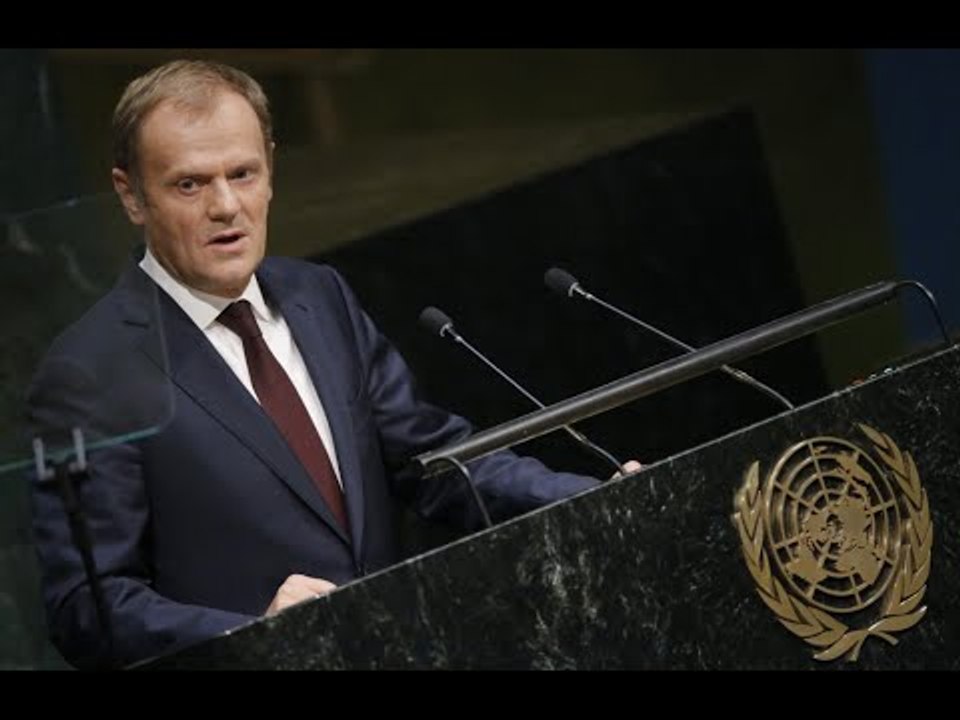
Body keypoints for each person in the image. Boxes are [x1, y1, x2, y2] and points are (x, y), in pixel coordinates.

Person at [26, 60, 623, 670]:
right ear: (131, 195)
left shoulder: (320, 296)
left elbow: (436, 463)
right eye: (189, 185)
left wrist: (595, 498)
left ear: (270, 170)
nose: (226, 205)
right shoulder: (89, 371)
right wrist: (251, 635)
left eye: (242, 173)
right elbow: (87, 607)